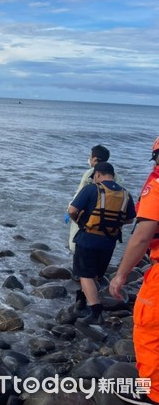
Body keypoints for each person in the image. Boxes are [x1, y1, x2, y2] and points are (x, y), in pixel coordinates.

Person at [109, 138, 159, 405]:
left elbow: (141, 236)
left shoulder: (158, 186)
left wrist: (121, 274)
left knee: (149, 330)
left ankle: (152, 394)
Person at [68, 161, 135, 324]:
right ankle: (82, 299)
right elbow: (130, 219)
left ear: (97, 174)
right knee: (96, 275)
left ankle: (95, 311)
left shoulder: (91, 189)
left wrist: (78, 221)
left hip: (88, 239)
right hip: (109, 242)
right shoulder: (126, 194)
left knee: (85, 275)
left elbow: (71, 210)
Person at [65, 145, 122, 252]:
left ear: (95, 159)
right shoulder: (115, 175)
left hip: (87, 217)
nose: (89, 159)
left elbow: (80, 193)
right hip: (108, 219)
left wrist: (70, 209)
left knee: (77, 246)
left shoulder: (90, 173)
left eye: (90, 157)